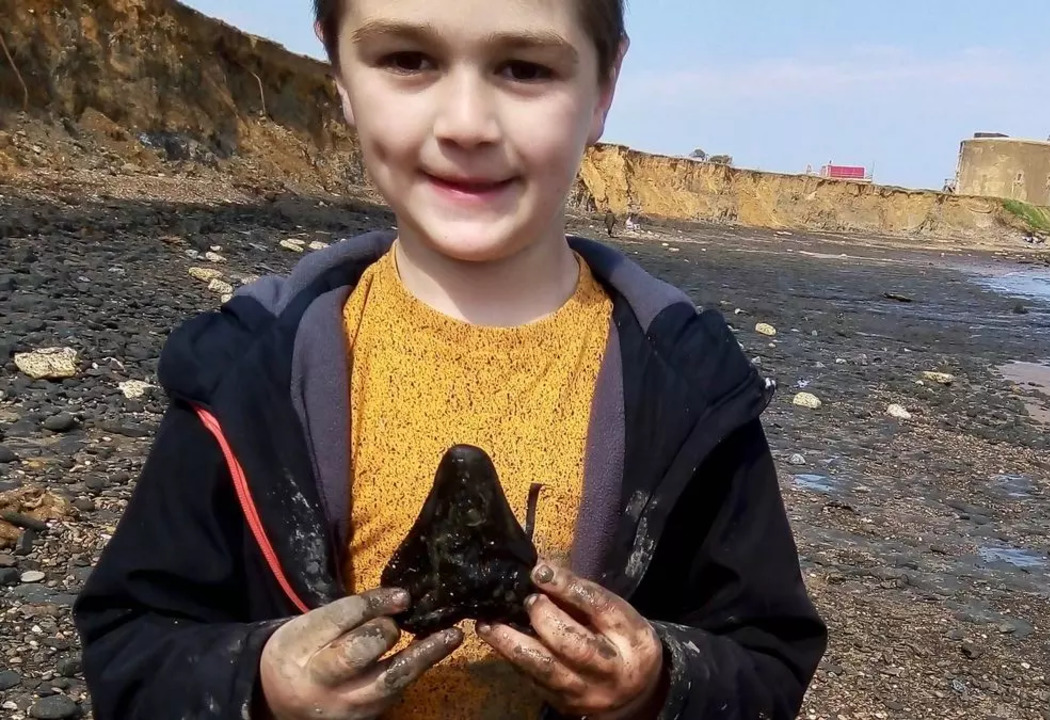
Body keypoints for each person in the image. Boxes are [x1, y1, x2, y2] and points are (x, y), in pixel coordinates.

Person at [71, 1, 828, 719]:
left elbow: (766, 654)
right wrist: (258, 682)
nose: (467, 124)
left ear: (604, 90)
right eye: (408, 58)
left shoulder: (690, 388)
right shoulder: (245, 374)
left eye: (525, 68)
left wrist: (658, 683)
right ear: (340, 78)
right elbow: (130, 643)